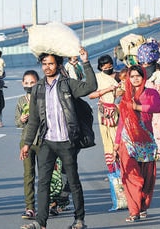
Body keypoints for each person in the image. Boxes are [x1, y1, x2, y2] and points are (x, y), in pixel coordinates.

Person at [19, 48, 98, 229]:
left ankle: (79, 220)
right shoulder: (38, 87)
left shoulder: (68, 84)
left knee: (73, 180)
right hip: (47, 141)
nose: (47, 67)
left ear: (58, 65)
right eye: (44, 64)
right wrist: (27, 143)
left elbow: (91, 87)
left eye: (51, 63)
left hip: (67, 142)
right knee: (43, 183)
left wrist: (86, 62)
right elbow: (33, 120)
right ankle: (40, 222)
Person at [114, 65, 160, 223]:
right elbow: (122, 120)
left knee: (147, 179)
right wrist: (116, 143)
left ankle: (143, 206)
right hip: (127, 141)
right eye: (132, 76)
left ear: (144, 77)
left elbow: (159, 107)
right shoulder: (125, 96)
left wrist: (138, 107)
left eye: (138, 76)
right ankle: (134, 211)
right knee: (131, 178)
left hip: (146, 141)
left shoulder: (151, 93)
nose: (135, 79)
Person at [88, 55, 123, 175]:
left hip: (119, 112)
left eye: (110, 66)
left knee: (120, 140)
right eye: (105, 67)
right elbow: (91, 95)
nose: (108, 69)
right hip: (105, 113)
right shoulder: (98, 78)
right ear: (100, 67)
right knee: (108, 141)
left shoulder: (119, 76)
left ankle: (123, 169)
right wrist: (108, 89)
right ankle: (113, 170)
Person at [15, 70, 40, 219]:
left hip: (43, 141)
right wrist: (22, 119)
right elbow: (17, 121)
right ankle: (30, 207)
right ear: (22, 83)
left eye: (33, 82)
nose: (29, 85)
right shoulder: (21, 101)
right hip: (26, 142)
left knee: (45, 175)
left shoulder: (43, 98)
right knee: (28, 175)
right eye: (27, 83)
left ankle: (48, 204)